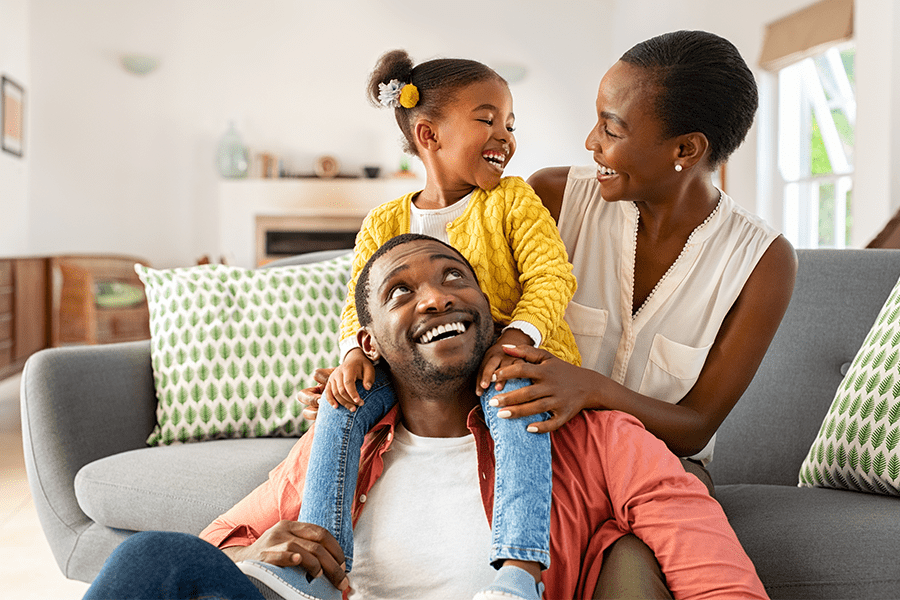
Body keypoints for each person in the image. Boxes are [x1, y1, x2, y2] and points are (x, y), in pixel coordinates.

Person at [83, 234, 770, 600]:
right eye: (401, 291)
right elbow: (220, 542)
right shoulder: (343, 442)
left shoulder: (592, 433)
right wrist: (252, 552)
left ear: (490, 314)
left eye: (453, 278)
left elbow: (711, 569)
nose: (437, 297)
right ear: (370, 340)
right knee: (153, 558)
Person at [476, 30, 797, 597]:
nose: (590, 141)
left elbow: (696, 426)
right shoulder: (549, 200)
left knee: (632, 567)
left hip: (662, 471)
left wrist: (591, 389)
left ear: (685, 150)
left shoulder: (762, 262)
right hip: (541, 457)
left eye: (611, 128)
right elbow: (469, 316)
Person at [292, 50, 581, 600]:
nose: (505, 134)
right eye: (487, 118)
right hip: (414, 370)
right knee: (340, 404)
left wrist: (519, 336)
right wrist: (356, 351)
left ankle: (518, 573)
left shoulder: (512, 200)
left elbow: (551, 275)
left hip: (511, 356)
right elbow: (361, 302)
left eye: (511, 123)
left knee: (514, 399)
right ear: (429, 133)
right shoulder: (384, 221)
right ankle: (320, 564)